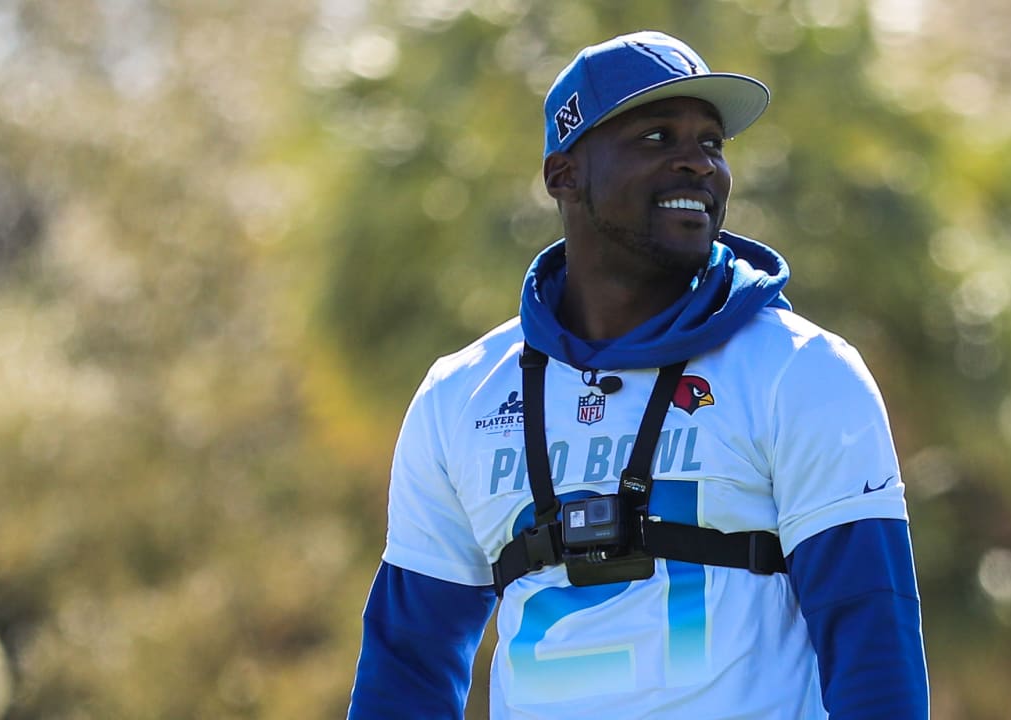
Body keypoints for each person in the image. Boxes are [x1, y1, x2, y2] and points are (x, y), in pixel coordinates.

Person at [347, 30, 929, 719]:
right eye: (656, 137)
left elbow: (873, 642)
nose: (699, 164)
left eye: (711, 142)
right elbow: (405, 669)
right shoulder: (459, 396)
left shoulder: (802, 371)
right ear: (564, 175)